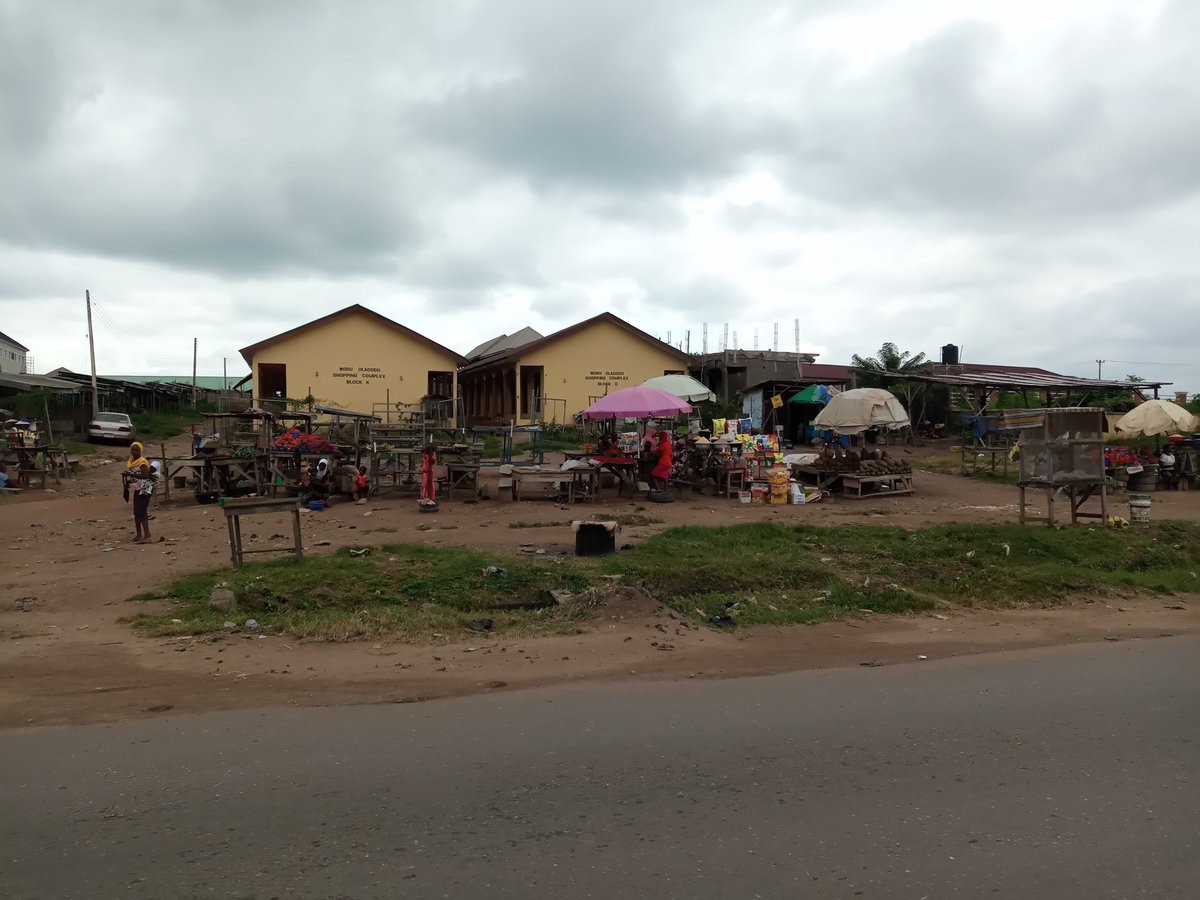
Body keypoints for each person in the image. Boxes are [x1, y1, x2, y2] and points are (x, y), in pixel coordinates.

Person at [123, 442, 155, 544]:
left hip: (145, 488)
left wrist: (130, 474)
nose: (134, 452)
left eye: (136, 450)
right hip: (138, 488)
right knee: (137, 512)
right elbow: (136, 476)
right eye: (132, 449)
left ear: (140, 451)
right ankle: (139, 534)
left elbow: (145, 475)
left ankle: (147, 536)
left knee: (141, 511)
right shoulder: (132, 461)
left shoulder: (142, 462)